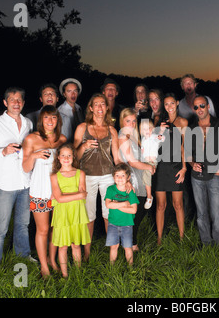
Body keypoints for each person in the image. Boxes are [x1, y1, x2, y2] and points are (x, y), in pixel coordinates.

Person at [0, 86, 36, 279]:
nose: (16, 102)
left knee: (22, 224)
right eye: (12, 99)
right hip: (5, 185)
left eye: (19, 99)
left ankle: (23, 256)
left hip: (25, 182)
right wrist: (3, 151)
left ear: (23, 103)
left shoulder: (28, 123)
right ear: (5, 103)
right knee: (0, 227)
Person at [74, 93, 120, 260]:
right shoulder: (82, 128)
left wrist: (124, 177)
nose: (100, 107)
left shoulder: (112, 130)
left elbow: (117, 157)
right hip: (87, 176)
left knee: (110, 214)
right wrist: (85, 145)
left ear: (107, 107)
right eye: (97, 104)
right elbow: (74, 156)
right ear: (91, 108)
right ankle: (86, 253)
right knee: (89, 216)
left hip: (108, 175)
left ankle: (112, 253)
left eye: (103, 104)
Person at [22, 105, 66, 278]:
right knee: (43, 229)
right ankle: (43, 266)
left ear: (58, 120)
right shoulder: (32, 139)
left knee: (55, 228)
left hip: (58, 190)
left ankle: (52, 260)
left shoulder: (61, 139)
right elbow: (25, 168)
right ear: (41, 120)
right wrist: (34, 156)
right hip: (40, 190)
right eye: (47, 117)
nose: (50, 121)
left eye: (54, 117)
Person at [186, 95, 219, 246]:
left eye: (202, 105)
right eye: (196, 107)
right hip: (196, 176)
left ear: (208, 106)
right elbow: (188, 152)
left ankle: (217, 244)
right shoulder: (191, 128)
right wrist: (192, 164)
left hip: (215, 174)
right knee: (201, 212)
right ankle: (206, 242)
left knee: (216, 212)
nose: (199, 109)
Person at [50, 143, 90, 278]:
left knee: (76, 244)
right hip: (62, 214)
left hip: (76, 213)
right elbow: (60, 199)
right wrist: (77, 195)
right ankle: (65, 274)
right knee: (62, 246)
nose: (66, 158)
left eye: (69, 155)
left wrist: (66, 196)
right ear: (58, 158)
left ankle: (78, 273)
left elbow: (82, 194)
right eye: (63, 155)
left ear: (73, 157)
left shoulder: (80, 173)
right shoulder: (54, 176)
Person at [118, 108, 156, 251]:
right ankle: (131, 244)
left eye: (134, 121)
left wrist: (149, 165)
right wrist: (148, 167)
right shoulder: (123, 136)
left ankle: (130, 242)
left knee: (138, 211)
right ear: (122, 121)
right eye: (128, 121)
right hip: (131, 177)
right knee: (134, 212)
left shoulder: (133, 136)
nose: (132, 123)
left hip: (139, 176)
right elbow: (132, 162)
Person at [153, 93, 188, 245]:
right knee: (161, 205)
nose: (169, 107)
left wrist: (185, 168)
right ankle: (159, 239)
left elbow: (183, 147)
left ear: (177, 103)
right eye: (166, 104)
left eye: (172, 103)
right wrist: (159, 131)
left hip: (176, 166)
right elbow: (154, 145)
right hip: (161, 166)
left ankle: (182, 238)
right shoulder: (158, 121)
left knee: (178, 204)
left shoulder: (183, 122)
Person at [105, 163, 139, 265]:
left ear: (128, 177)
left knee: (127, 247)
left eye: (123, 175)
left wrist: (117, 205)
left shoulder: (130, 192)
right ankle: (112, 267)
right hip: (113, 224)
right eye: (117, 175)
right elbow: (108, 205)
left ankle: (130, 268)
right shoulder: (110, 189)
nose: (120, 178)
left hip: (127, 224)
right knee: (113, 246)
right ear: (113, 177)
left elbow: (133, 210)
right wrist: (124, 204)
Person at [139, 119, 164, 209]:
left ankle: (149, 197)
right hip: (144, 162)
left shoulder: (153, 137)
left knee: (147, 175)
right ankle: (146, 194)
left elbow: (161, 138)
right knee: (143, 177)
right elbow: (142, 152)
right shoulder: (143, 140)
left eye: (149, 128)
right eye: (144, 129)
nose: (147, 131)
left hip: (152, 162)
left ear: (152, 129)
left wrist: (161, 133)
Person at [58, 78, 85, 142]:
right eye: (69, 91)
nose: (73, 94)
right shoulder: (60, 111)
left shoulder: (79, 108)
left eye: (75, 91)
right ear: (64, 94)